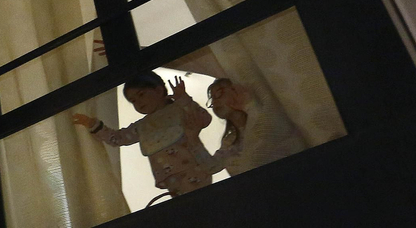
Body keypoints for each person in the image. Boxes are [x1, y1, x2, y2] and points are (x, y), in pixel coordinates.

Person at [73, 72, 214, 198]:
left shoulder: (179, 109)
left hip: (195, 170)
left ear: (159, 90)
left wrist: (184, 99)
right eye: (133, 100)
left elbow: (204, 119)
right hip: (169, 179)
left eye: (141, 94)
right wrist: (92, 124)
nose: (138, 102)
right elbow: (117, 138)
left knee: (201, 205)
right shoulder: (141, 126)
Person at [206, 77, 307, 177]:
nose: (215, 103)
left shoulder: (265, 118)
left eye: (219, 94)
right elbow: (210, 167)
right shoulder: (229, 141)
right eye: (212, 100)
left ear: (235, 90)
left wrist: (248, 105)